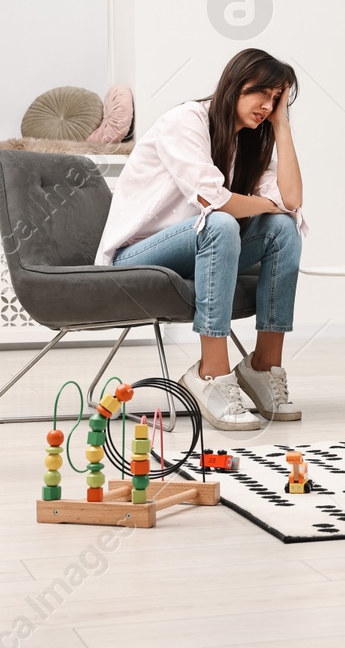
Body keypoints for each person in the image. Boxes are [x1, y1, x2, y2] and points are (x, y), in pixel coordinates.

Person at [96, 49, 304, 431]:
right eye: (264, 94)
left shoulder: (253, 140)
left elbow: (290, 202)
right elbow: (213, 200)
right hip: (139, 255)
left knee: (283, 230)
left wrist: (282, 126)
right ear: (236, 83)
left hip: (204, 249)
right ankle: (210, 374)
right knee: (221, 223)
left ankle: (262, 366)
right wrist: (263, 203)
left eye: (277, 99)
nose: (268, 105)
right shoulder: (186, 120)